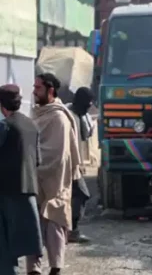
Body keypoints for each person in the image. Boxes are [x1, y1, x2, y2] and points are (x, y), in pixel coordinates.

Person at [27, 73, 82, 275]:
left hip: (55, 180)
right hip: (34, 178)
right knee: (33, 223)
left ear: (50, 91)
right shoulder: (38, 113)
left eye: (38, 88)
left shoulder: (59, 117)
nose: (34, 92)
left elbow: (58, 154)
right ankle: (33, 268)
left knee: (55, 221)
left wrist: (38, 169)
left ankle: (55, 267)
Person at [0, 84, 43, 275]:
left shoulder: (4, 126)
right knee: (26, 240)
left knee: (5, 245)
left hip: (6, 192)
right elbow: (38, 160)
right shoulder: (31, 125)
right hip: (29, 189)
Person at [67, 87, 95, 244]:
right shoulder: (68, 115)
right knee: (82, 194)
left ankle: (69, 230)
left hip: (74, 165)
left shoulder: (80, 116)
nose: (88, 108)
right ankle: (71, 231)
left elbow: (84, 137)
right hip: (65, 165)